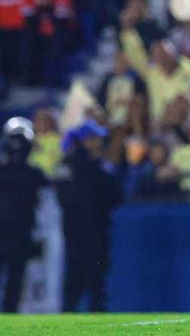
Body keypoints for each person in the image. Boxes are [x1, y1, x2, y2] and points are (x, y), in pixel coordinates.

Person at [56, 120, 122, 312]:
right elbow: (65, 197)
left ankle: (78, 318)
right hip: (83, 230)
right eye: (93, 138)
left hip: (89, 230)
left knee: (91, 282)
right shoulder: (79, 165)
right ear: (84, 140)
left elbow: (117, 195)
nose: (98, 142)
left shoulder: (96, 165)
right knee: (82, 281)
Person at [0, 117, 48, 313]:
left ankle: (10, 314)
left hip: (20, 231)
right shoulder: (34, 174)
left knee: (16, 280)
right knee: (15, 280)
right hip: (19, 231)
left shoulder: (34, 174)